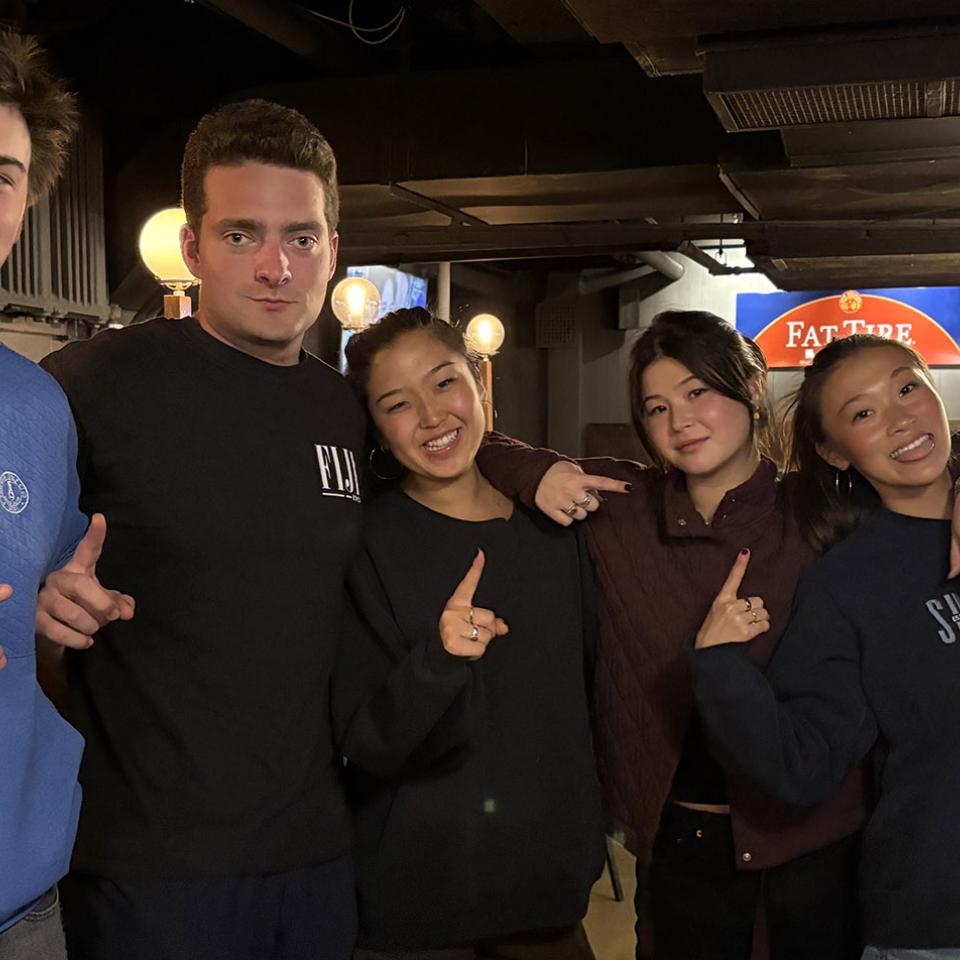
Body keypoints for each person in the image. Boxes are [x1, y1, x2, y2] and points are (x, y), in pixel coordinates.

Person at [35, 99, 365, 960]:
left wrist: (530, 465)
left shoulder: (347, 407)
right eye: (239, 235)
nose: (274, 267)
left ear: (332, 249)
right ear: (191, 248)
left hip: (316, 856)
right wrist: (39, 596)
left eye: (301, 238)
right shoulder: (91, 383)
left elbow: (457, 450)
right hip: (151, 869)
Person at [476, 310, 864, 960]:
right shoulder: (621, 504)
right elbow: (482, 446)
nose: (679, 421)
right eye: (656, 408)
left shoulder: (817, 510)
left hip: (813, 844)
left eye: (697, 393)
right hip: (681, 845)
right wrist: (538, 473)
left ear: (753, 386)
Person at [334, 307, 605, 959]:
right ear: (374, 426)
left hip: (548, 901)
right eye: (397, 403)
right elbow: (363, 745)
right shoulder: (366, 544)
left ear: (481, 383)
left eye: (444, 382)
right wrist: (439, 660)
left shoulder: (557, 528)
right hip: (417, 912)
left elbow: (590, 698)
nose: (431, 417)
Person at [692, 333, 960, 958]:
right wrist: (718, 665)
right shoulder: (848, 583)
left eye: (906, 387)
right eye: (863, 414)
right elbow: (802, 762)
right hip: (937, 919)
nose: (901, 420)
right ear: (833, 453)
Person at [0, 28, 88, 960]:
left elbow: (46, 606)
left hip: (23, 902)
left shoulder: (36, 403)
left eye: (3, 174)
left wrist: (64, 608)